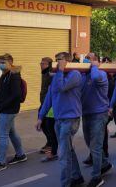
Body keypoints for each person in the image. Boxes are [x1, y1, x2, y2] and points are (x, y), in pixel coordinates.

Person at [36, 52, 84, 187]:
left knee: (63, 153)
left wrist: (61, 70)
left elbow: (61, 87)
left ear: (67, 61)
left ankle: (65, 183)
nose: (56, 62)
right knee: (68, 149)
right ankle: (77, 176)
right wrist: (40, 117)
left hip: (70, 119)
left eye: (60, 60)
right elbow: (49, 98)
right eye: (56, 60)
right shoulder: (57, 75)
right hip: (59, 119)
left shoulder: (75, 74)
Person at [0, 54, 27, 174]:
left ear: (10, 62)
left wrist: (2, 105)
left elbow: (16, 94)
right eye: (0, 62)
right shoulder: (5, 74)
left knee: (3, 135)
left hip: (8, 110)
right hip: (6, 109)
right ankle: (20, 155)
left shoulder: (13, 75)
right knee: (11, 132)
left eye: (3, 62)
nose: (1, 64)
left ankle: (1, 162)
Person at [81, 53, 113, 187]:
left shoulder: (101, 74)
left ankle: (97, 177)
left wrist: (94, 66)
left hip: (99, 115)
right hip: (86, 114)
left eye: (90, 58)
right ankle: (104, 164)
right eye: (86, 57)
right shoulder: (84, 75)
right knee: (90, 143)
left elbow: (95, 77)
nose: (87, 59)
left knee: (96, 146)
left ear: (96, 61)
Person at [39, 57, 58, 162]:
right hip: (44, 103)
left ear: (49, 64)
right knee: (44, 125)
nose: (41, 65)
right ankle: (50, 143)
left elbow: (52, 91)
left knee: (49, 127)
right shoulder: (44, 73)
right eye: (40, 63)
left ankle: (52, 148)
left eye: (43, 63)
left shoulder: (51, 74)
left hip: (51, 106)